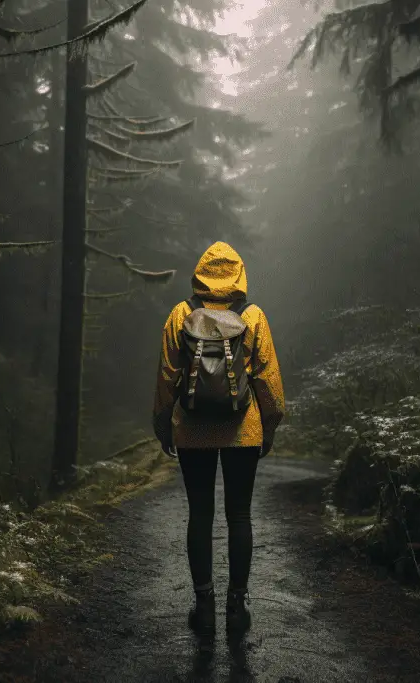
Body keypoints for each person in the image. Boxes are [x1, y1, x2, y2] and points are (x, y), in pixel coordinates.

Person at [152, 241, 285, 635]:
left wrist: (164, 426)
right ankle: (237, 609)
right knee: (239, 514)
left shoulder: (182, 313)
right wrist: (270, 427)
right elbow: (267, 380)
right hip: (243, 430)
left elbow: (166, 378)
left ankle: (204, 605)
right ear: (239, 274)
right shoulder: (253, 315)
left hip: (192, 430)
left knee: (201, 514)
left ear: (201, 272)